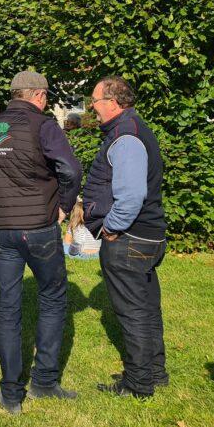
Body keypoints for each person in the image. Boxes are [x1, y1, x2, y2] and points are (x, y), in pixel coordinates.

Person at [0, 71, 82, 414]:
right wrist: (63, 206)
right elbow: (71, 170)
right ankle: (43, 381)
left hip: (1, 230)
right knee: (52, 298)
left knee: (8, 306)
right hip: (38, 227)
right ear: (40, 96)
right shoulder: (43, 126)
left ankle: (11, 392)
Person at [83, 76, 168, 398]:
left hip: (131, 237)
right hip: (147, 234)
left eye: (94, 101)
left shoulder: (126, 136)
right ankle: (154, 372)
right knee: (146, 308)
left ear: (113, 103)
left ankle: (139, 383)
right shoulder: (133, 128)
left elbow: (131, 195)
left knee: (133, 312)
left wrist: (112, 227)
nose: (92, 107)